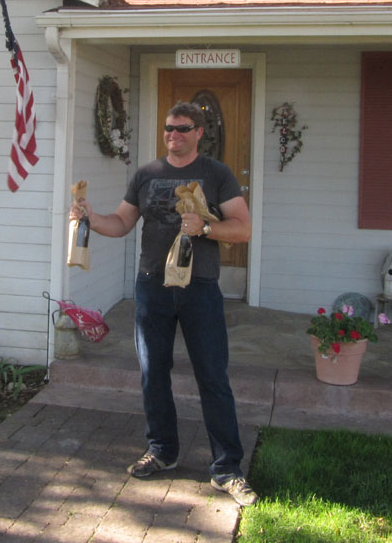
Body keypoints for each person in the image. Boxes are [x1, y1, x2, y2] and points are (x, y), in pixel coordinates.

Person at [70, 101, 258, 507]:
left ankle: (227, 469)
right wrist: (89, 216)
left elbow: (242, 229)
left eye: (182, 128)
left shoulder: (217, 174)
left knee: (212, 376)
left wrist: (206, 226)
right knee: (153, 372)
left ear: (198, 133)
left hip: (199, 287)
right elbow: (120, 223)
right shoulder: (146, 174)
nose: (173, 134)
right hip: (153, 286)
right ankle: (163, 451)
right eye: (169, 128)